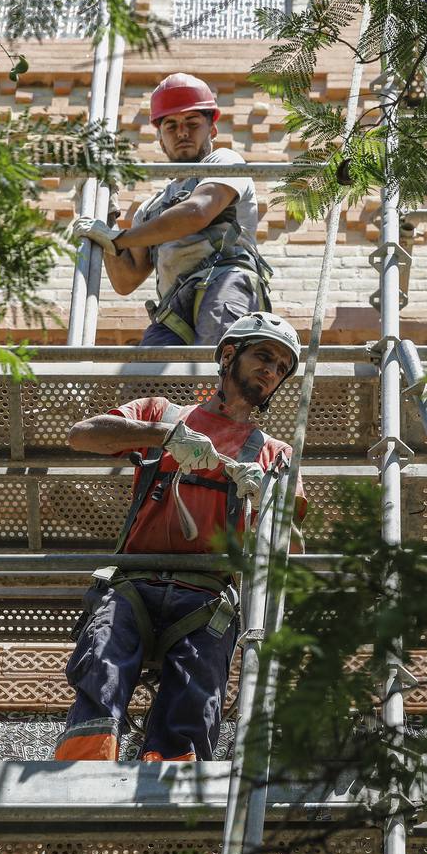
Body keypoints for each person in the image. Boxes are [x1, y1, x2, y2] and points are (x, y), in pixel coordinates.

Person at [55, 312, 306, 762]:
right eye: (263, 356)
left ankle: (171, 797)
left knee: (195, 698)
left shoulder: (274, 455)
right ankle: (80, 774)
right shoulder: (162, 413)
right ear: (229, 355)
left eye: (282, 367)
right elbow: (82, 436)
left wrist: (268, 501)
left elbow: (293, 551)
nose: (272, 371)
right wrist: (166, 436)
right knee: (102, 667)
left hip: (207, 597)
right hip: (134, 582)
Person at [71, 72, 272, 347]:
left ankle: (214, 390)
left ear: (212, 130)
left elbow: (197, 211)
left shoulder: (224, 161)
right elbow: (125, 280)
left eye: (192, 123)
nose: (182, 133)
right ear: (161, 140)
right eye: (171, 126)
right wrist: (106, 219)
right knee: (146, 383)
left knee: (214, 370)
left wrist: (120, 239)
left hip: (224, 282)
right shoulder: (151, 209)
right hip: (173, 310)